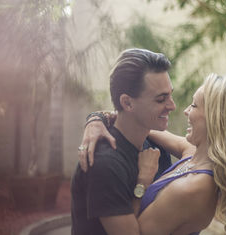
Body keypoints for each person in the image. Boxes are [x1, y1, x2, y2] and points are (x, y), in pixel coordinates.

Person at [80, 73, 226, 234]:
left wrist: (143, 180)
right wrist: (95, 120)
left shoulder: (193, 189)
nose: (186, 111)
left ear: (217, 120)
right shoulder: (194, 153)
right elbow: (138, 123)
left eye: (195, 105)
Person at [71, 48, 176, 235]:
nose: (172, 106)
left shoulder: (156, 147)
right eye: (161, 99)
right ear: (127, 103)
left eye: (170, 95)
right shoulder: (104, 163)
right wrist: (142, 182)